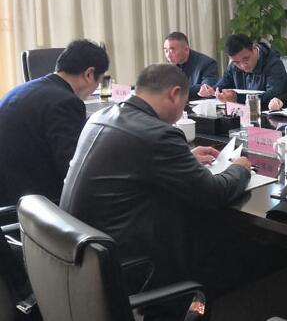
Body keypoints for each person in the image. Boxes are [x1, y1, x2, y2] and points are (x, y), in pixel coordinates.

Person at [60, 64, 253, 291]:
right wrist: (240, 168)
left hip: (81, 254)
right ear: (174, 94)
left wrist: (184, 158)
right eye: (184, 104)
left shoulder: (102, 115)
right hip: (125, 265)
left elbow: (134, 160)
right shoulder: (158, 134)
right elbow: (213, 193)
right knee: (215, 232)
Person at [0, 39, 109, 206]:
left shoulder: (21, 89)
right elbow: (72, 170)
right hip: (32, 204)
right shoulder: (65, 102)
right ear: (89, 74)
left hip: (9, 193)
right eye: (98, 82)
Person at [199, 34, 287, 108]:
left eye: (246, 59)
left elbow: (272, 95)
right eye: (237, 62)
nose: (243, 65)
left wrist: (237, 98)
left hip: (273, 114)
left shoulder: (273, 64)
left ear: (254, 47)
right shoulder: (233, 66)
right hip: (245, 113)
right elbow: (223, 85)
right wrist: (212, 91)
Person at [163, 31, 219, 100]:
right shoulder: (167, 65)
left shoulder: (207, 64)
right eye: (166, 51)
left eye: (172, 51)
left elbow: (207, 88)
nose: (168, 55)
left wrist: (176, 92)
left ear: (186, 49)